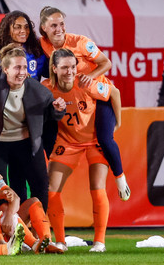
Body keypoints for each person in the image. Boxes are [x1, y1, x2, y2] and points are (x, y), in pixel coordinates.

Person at [39, 6, 129, 201]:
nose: (59, 28)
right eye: (53, 25)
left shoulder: (81, 42)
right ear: (43, 28)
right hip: (70, 96)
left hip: (96, 93)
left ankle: (120, 177)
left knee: (105, 139)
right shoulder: (41, 46)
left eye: (61, 23)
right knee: (46, 129)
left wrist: (90, 77)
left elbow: (106, 63)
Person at [43, 48, 118, 252]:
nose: (70, 71)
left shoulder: (86, 83)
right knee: (51, 190)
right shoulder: (46, 89)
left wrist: (116, 124)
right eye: (65, 67)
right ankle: (60, 241)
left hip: (94, 141)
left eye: (73, 67)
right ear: (54, 69)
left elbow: (114, 93)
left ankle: (100, 242)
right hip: (67, 142)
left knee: (97, 187)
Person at [0, 45, 65, 210]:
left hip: (25, 142)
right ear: (5, 69)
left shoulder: (39, 91)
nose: (22, 72)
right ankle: (3, 230)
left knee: (40, 184)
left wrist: (59, 110)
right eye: (17, 67)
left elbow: (52, 115)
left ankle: (37, 229)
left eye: (24, 67)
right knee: (0, 189)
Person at [0, 11, 47, 79]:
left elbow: (48, 73)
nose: (23, 31)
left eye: (26, 27)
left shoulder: (37, 48)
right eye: (17, 27)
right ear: (8, 30)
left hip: (31, 91)